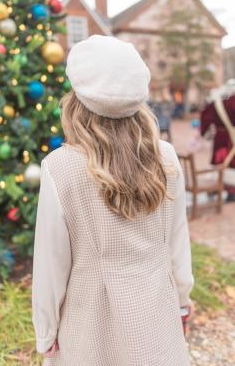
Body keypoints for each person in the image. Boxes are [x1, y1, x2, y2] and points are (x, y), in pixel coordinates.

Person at [32, 35, 194, 366]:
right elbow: (178, 244)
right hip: (155, 314)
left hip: (89, 320)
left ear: (76, 100)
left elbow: (50, 265)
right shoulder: (165, 158)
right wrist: (181, 300)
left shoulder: (60, 169)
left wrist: (46, 331)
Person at [201, 80, 235, 202]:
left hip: (220, 137)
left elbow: (205, 117)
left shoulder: (216, 102)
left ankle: (217, 187)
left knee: (219, 161)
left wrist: (204, 132)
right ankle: (232, 191)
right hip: (231, 138)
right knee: (231, 164)